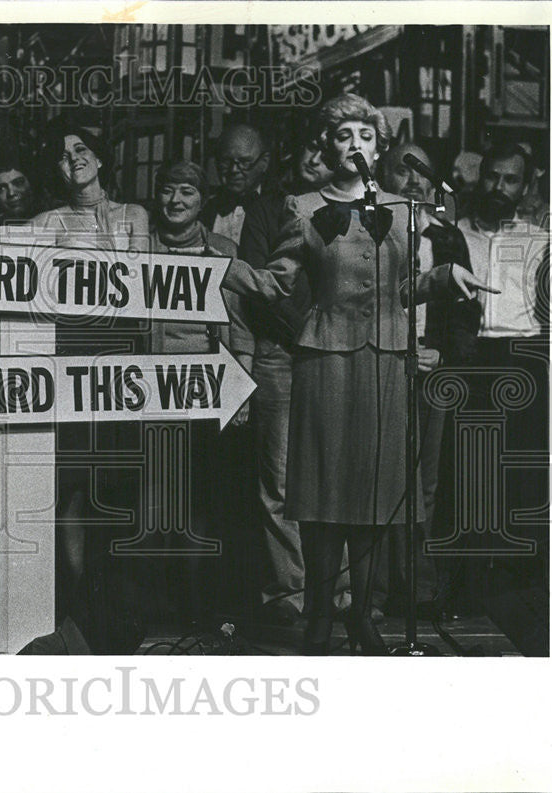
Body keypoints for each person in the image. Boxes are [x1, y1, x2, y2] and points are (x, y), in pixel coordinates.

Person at [221, 94, 494, 655]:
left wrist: (443, 277)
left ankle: (363, 618)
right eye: (344, 136)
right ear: (329, 144)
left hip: (388, 360)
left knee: (375, 491)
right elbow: (280, 283)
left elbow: (400, 289)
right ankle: (321, 617)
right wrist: (229, 270)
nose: (355, 146)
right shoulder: (302, 206)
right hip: (324, 360)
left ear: (380, 145)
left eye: (365, 137)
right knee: (323, 494)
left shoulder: (404, 210)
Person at [27, 124, 150, 651]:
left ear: (100, 157)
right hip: (71, 361)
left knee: (118, 490)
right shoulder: (46, 220)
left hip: (124, 364)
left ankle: (114, 604)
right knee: (72, 489)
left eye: (80, 149)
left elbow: (137, 281)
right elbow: (11, 266)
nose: (71, 159)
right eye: (61, 153)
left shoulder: (135, 215)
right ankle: (77, 602)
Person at [377, 141, 482, 615]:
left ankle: (416, 588)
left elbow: (465, 312)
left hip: (432, 373)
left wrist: (443, 356)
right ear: (382, 176)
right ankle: (376, 587)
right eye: (404, 170)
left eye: (423, 172)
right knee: (380, 478)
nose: (414, 180)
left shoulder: (448, 238)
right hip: (378, 368)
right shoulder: (370, 230)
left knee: (428, 483)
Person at [446, 142, 549, 617]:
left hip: (524, 356)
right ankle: (465, 586)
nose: (499, 188)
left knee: (522, 473)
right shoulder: (451, 235)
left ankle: (516, 587)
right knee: (468, 471)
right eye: (492, 177)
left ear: (525, 187)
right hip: (472, 356)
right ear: (479, 178)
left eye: (511, 180)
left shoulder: (541, 240)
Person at [147, 160, 252, 619]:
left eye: (187, 192)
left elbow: (242, 329)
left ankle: (195, 605)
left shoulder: (223, 249)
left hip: (206, 388)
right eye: (169, 191)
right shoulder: (142, 248)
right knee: (154, 499)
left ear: (202, 200)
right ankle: (153, 604)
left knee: (201, 502)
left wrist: (241, 389)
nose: (176, 201)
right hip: (147, 389)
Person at [238, 131, 329, 625]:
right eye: (309, 146)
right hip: (280, 352)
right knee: (278, 480)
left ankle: (339, 596)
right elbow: (257, 284)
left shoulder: (353, 209)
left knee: (334, 475)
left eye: (326, 147)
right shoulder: (268, 209)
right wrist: (308, 330)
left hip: (336, 355)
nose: (316, 156)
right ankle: (291, 596)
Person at [199, 123, 278, 248]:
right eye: (226, 161)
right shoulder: (203, 208)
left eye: (244, 162)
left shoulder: (280, 209)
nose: (234, 169)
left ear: (264, 162)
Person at [0, 151, 41, 242]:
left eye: (18, 183)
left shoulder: (57, 220)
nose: (11, 193)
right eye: (1, 188)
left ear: (32, 183)